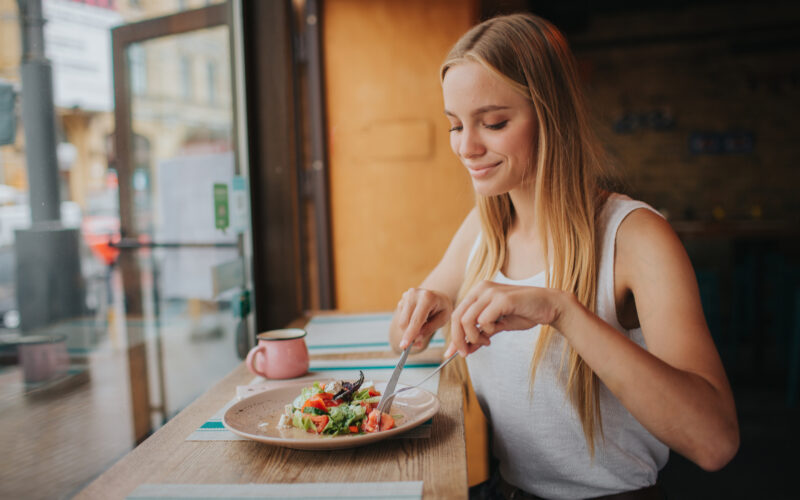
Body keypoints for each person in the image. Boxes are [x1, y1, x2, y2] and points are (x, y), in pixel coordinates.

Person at [388, 12, 739, 500]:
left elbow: (715, 442)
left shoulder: (636, 237)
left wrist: (562, 312)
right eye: (454, 125)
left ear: (551, 115)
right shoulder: (483, 230)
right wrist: (419, 310)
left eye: (494, 123)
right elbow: (403, 338)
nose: (466, 147)